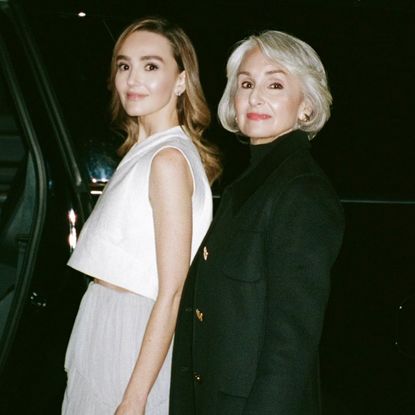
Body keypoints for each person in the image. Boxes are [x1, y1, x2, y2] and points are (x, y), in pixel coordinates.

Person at [170, 30, 344, 415]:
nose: (255, 96)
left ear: (306, 107)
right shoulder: (249, 186)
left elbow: (290, 348)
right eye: (246, 83)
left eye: (276, 83)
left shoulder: (301, 193)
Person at [62, 17, 220, 415]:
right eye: (124, 65)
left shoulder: (167, 159)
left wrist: (134, 401)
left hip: (129, 330)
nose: (132, 78)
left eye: (151, 66)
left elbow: (171, 291)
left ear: (181, 81)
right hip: (109, 319)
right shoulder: (149, 150)